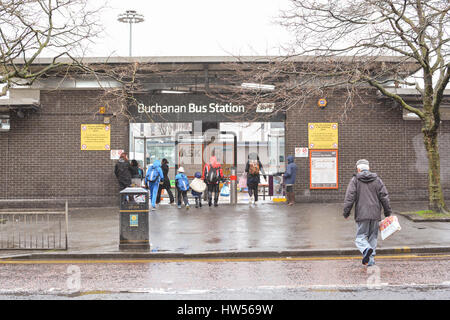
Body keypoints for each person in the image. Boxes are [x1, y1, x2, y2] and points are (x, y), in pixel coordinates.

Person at [343, 159, 392, 267]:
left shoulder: (355, 180)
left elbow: (349, 197)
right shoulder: (377, 180)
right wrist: (388, 212)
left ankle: (366, 249)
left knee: (360, 237)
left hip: (362, 214)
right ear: (368, 168)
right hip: (375, 214)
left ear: (358, 169)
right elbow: (384, 196)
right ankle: (370, 260)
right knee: (372, 237)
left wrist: (346, 212)